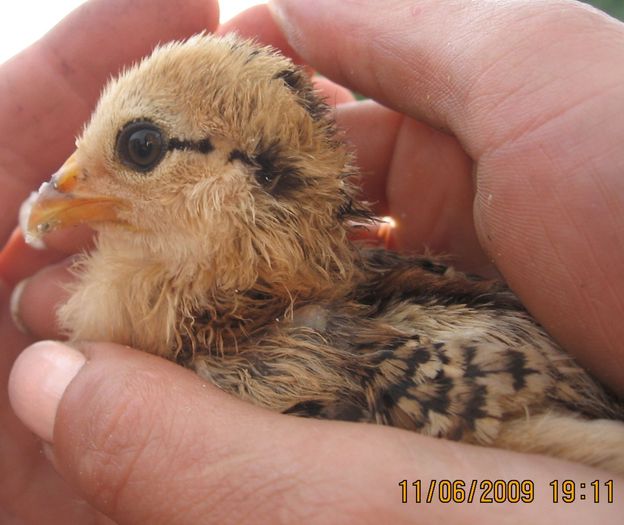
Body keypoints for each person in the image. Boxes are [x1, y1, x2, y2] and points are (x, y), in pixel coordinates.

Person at [1, 0, 623, 522]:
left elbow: (594, 477)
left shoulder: (384, 355)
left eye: (142, 147)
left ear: (258, 178)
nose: (62, 184)